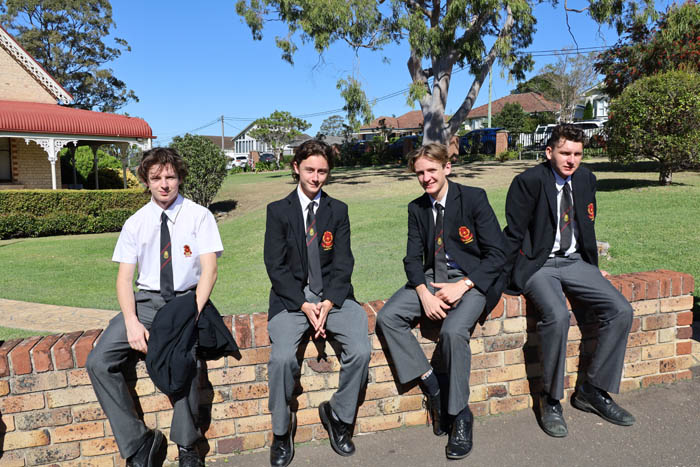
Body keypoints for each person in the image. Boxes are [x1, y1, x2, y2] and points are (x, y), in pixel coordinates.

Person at [87, 147, 224, 467]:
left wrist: (193, 313)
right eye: (156, 178)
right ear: (146, 181)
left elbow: (210, 271)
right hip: (146, 302)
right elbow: (124, 280)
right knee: (98, 361)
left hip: (185, 300)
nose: (164, 184)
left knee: (186, 361)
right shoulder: (135, 223)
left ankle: (188, 447)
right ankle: (139, 443)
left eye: (170, 177)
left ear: (180, 178)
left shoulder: (199, 216)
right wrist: (131, 322)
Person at [502, 124, 635, 438]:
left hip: (575, 261)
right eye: (565, 153)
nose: (571, 160)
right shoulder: (528, 182)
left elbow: (586, 225)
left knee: (621, 310)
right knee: (557, 315)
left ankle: (592, 390)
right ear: (550, 152)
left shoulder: (587, 179)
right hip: (538, 265)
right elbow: (513, 233)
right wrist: (503, 276)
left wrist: (593, 268)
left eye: (577, 153)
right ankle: (550, 399)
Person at [376, 143, 506, 460]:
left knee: (453, 332)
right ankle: (432, 382)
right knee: (388, 317)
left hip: (472, 280)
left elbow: (497, 255)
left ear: (447, 167)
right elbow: (411, 259)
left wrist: (463, 285)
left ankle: (460, 415)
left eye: (431, 170)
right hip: (432, 279)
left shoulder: (473, 198)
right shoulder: (417, 208)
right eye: (420, 173)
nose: (426, 178)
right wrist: (423, 293)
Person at [263, 139, 371, 467]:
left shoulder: (338, 210)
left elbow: (343, 262)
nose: (315, 177)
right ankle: (282, 431)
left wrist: (329, 302)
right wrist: (303, 304)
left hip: (333, 297)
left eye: (322, 171)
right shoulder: (278, 211)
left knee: (360, 350)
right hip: (291, 300)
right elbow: (275, 266)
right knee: (282, 358)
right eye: (309, 170)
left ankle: (338, 416)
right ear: (296, 167)